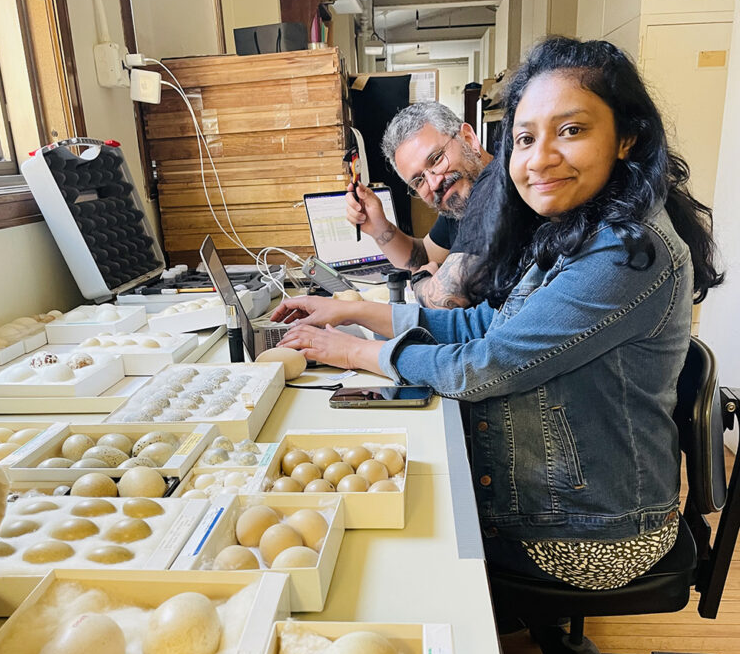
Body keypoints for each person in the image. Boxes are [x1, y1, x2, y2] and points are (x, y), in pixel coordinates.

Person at [272, 36, 721, 592]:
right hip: (568, 505)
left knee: (390, 556)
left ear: (627, 136)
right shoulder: (577, 228)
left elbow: (483, 364)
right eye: (526, 138)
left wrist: (359, 352)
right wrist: (348, 313)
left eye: (572, 130)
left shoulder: (628, 252)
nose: (540, 158)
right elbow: (482, 325)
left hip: (594, 533)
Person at [345, 102, 493, 309]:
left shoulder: (497, 187)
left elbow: (448, 297)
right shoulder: (460, 198)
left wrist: (420, 279)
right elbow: (425, 255)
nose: (434, 183)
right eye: (419, 181)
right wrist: (378, 226)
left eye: (436, 159)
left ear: (468, 139)